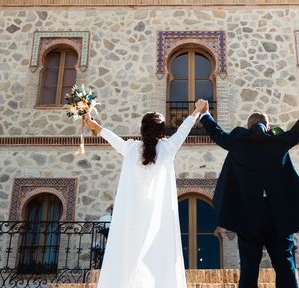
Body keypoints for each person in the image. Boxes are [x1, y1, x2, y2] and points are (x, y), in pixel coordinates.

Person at [197, 94, 299, 288]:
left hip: (249, 216)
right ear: (268, 126)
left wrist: (205, 114)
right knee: (285, 266)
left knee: (249, 268)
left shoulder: (236, 143)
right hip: (278, 214)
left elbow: (216, 133)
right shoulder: (278, 142)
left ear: (248, 127)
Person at [83, 99, 208, 288]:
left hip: (132, 216)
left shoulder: (131, 149)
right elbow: (184, 128)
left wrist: (92, 124)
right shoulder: (168, 148)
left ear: (143, 130)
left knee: (129, 258)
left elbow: (110, 136)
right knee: (158, 256)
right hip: (158, 216)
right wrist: (197, 110)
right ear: (162, 130)